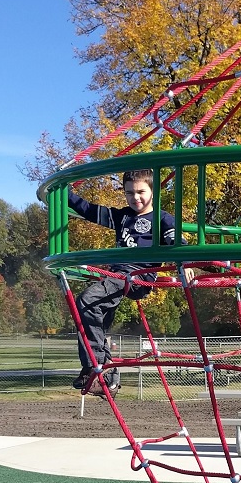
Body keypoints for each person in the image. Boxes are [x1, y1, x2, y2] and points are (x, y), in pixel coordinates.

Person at [68, 169, 191, 397]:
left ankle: (93, 367)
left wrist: (185, 263)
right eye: (129, 193)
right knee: (93, 315)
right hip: (116, 276)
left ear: (153, 191)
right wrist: (63, 194)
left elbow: (177, 243)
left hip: (138, 277)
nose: (136, 198)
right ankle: (108, 377)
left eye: (141, 192)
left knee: (86, 300)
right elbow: (89, 210)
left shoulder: (162, 219)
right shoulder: (122, 217)